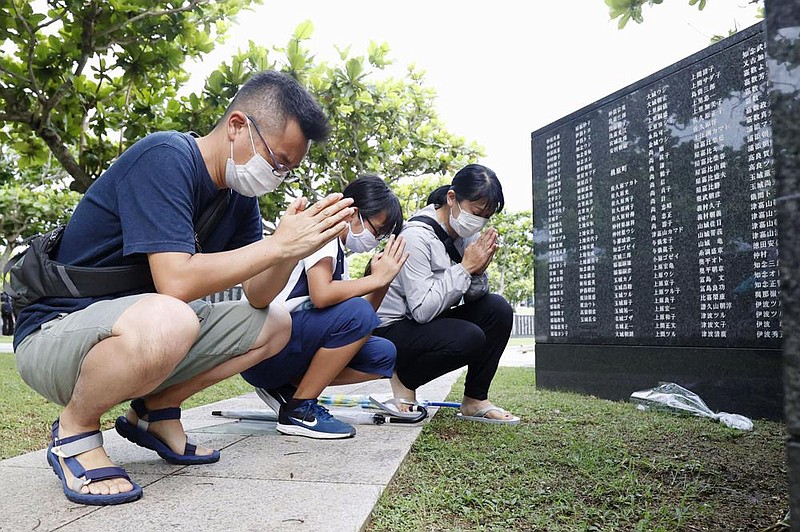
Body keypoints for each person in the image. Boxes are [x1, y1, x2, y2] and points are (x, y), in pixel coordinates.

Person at [12, 71, 354, 506]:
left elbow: (256, 297)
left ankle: (157, 412)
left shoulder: (239, 198)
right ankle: (75, 430)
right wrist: (279, 244)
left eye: (288, 170)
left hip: (135, 333)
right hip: (56, 333)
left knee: (275, 322)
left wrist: (287, 251)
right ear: (236, 126)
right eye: (277, 161)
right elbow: (174, 281)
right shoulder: (164, 156)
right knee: (170, 316)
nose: (277, 176)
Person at [241, 175, 408, 438]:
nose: (375, 240)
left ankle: (288, 389)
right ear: (354, 213)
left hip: (281, 349)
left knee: (383, 354)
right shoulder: (323, 232)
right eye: (377, 230)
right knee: (358, 312)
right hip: (264, 349)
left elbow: (358, 325)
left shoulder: (337, 251)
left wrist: (384, 281)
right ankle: (299, 409)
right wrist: (374, 279)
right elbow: (321, 295)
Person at [373, 164, 519, 424]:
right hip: (393, 329)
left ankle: (475, 400)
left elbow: (473, 297)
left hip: (424, 322)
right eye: (476, 212)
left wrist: (477, 272)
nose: (478, 221)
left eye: (486, 216)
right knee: (469, 337)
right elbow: (422, 311)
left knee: (498, 309)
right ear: (452, 198)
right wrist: (464, 268)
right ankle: (405, 379)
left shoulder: (465, 235)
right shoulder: (416, 237)